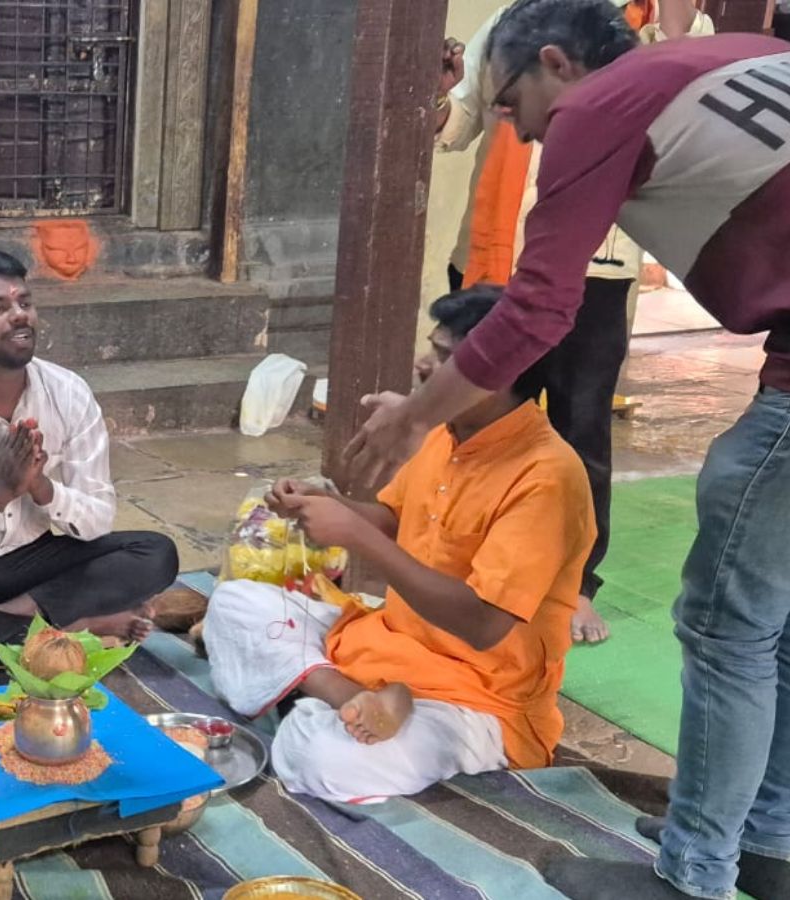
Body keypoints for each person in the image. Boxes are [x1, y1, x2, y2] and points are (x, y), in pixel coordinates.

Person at [347, 3, 790, 897]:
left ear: (556, 62)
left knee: (727, 626)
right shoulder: (748, 52)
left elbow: (539, 307)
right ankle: (767, 838)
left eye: (513, 105)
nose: (519, 132)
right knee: (777, 626)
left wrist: (414, 419)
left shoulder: (601, 104)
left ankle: (694, 874)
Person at [203, 287, 594, 802]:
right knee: (234, 603)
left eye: (447, 358)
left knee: (320, 759)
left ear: (499, 374)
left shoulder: (547, 476)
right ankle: (355, 697)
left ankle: (325, 698)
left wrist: (354, 534)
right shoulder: (446, 432)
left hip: (475, 697)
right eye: (432, 348)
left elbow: (483, 625)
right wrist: (325, 503)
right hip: (388, 641)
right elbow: (391, 519)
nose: (425, 365)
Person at [435, 0, 710, 644]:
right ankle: (465, 559)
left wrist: (669, 21)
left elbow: (677, 110)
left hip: (594, 267)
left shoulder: (650, 22)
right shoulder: (511, 22)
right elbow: (462, 120)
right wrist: (437, 94)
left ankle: (574, 585)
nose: (521, 123)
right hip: (493, 257)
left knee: (579, 429)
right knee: (478, 418)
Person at [0, 251, 179, 670]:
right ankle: (79, 630)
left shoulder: (68, 393)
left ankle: (16, 624)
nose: (19, 315)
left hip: (33, 559)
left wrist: (41, 488)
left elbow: (98, 521)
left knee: (155, 553)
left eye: (24, 303)